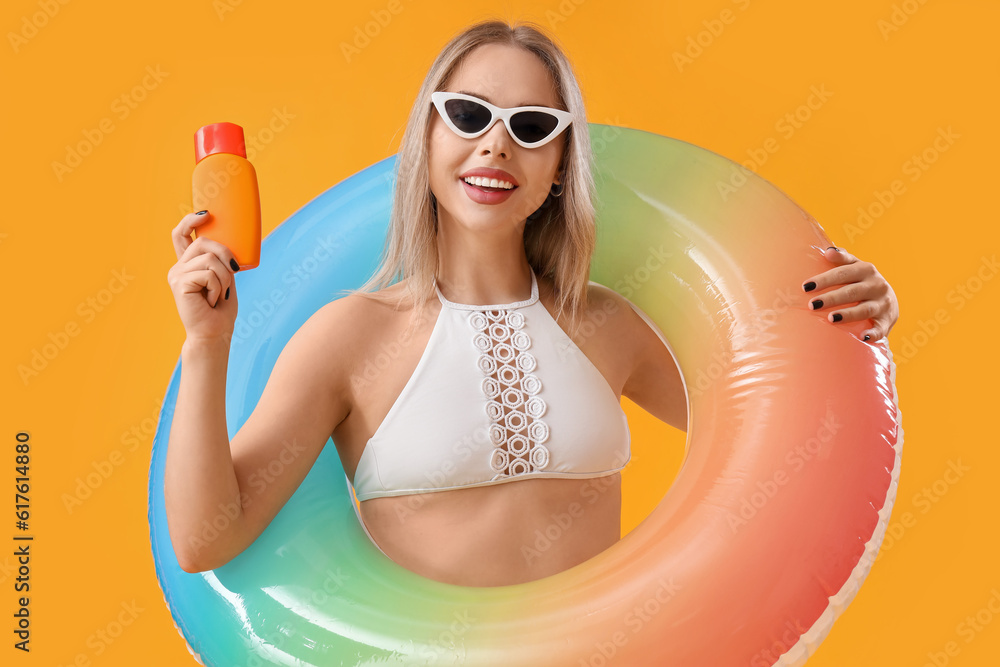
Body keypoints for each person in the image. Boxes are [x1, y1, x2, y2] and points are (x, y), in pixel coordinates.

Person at [164, 19, 900, 587]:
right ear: (427, 139)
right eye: (468, 114)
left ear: (557, 168)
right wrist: (207, 344)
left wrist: (862, 322)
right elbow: (207, 538)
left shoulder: (606, 325)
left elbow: (790, 425)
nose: (495, 146)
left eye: (532, 126)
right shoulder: (351, 338)